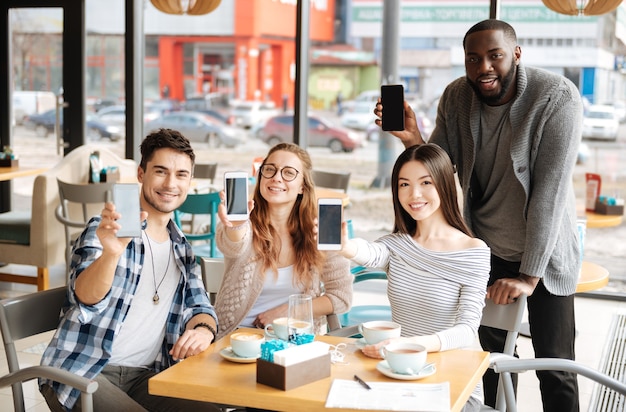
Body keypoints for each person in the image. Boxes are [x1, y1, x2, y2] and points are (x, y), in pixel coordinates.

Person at [376, 19, 583, 411]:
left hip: (546, 255)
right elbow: (440, 166)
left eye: (495, 56)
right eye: (473, 59)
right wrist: (414, 140)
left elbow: (549, 195)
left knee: (556, 368)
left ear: (516, 55)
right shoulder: (457, 96)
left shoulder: (557, 98)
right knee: (491, 361)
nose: (483, 67)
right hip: (485, 249)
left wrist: (528, 276)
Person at [39, 128, 220, 412]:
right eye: (160, 171)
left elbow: (201, 307)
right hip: (81, 370)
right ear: (141, 174)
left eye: (181, 174)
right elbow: (84, 297)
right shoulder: (106, 231)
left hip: (145, 377)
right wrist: (111, 254)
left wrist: (204, 331)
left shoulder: (181, 248)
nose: (170, 183)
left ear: (190, 181)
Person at [337, 144, 490, 411]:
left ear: (443, 184)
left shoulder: (473, 251)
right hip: (397, 376)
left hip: (452, 384)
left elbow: (467, 331)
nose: (414, 194)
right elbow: (369, 253)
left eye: (425, 182)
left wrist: (407, 344)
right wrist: (344, 246)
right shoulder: (397, 246)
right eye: (404, 184)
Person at [214, 142, 352, 339]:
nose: (276, 178)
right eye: (269, 170)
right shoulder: (243, 220)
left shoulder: (319, 229)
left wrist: (288, 311)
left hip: (294, 340)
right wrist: (235, 225)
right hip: (236, 338)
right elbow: (233, 245)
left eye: (288, 173)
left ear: (302, 186)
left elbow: (341, 296)